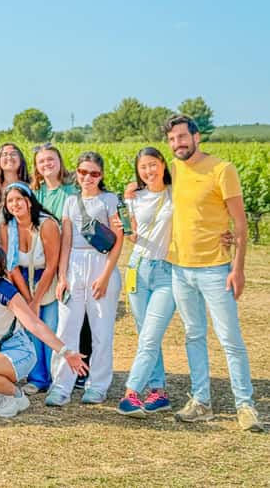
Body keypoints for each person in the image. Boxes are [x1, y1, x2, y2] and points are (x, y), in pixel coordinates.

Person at [163, 114, 262, 432]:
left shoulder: (222, 169)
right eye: (172, 139)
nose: (177, 144)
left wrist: (238, 268)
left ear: (196, 137)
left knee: (229, 338)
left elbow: (240, 225)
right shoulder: (175, 169)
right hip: (180, 269)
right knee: (193, 335)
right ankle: (201, 402)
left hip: (216, 269)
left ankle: (245, 405)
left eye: (181, 137)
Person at [0, 246, 87, 418]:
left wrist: (65, 351)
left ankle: (15, 396)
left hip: (15, 350)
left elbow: (34, 324)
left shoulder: (4, 290)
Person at [46, 152, 122, 407]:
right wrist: (62, 276)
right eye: (82, 172)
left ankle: (97, 385)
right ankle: (61, 385)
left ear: (101, 175)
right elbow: (66, 240)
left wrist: (105, 276)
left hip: (101, 263)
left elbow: (118, 239)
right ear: (76, 173)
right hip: (74, 266)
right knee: (67, 328)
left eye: (94, 173)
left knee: (101, 330)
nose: (88, 177)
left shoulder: (109, 200)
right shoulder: (71, 201)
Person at [115, 147, 176, 419]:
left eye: (153, 164)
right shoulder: (135, 197)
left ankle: (130, 393)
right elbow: (132, 235)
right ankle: (158, 391)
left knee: (150, 335)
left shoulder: (175, 194)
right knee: (146, 334)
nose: (149, 171)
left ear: (163, 164)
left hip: (167, 271)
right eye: (143, 167)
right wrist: (125, 220)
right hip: (137, 268)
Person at [31, 143, 88, 385]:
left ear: (59, 161)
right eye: (41, 161)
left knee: (73, 320)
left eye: (51, 159)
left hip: (70, 259)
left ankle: (77, 371)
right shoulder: (35, 193)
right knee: (48, 321)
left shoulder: (72, 191)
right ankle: (45, 373)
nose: (47, 164)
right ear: (36, 166)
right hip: (42, 262)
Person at [0, 182, 60, 395]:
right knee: (30, 330)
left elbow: (52, 265)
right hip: (22, 280)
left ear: (29, 201)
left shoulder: (46, 225)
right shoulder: (7, 228)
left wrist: (36, 300)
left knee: (50, 328)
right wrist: (27, 299)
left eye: (19, 199)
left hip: (47, 279)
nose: (15, 204)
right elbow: (12, 266)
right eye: (10, 201)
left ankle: (56, 378)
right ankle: (38, 378)